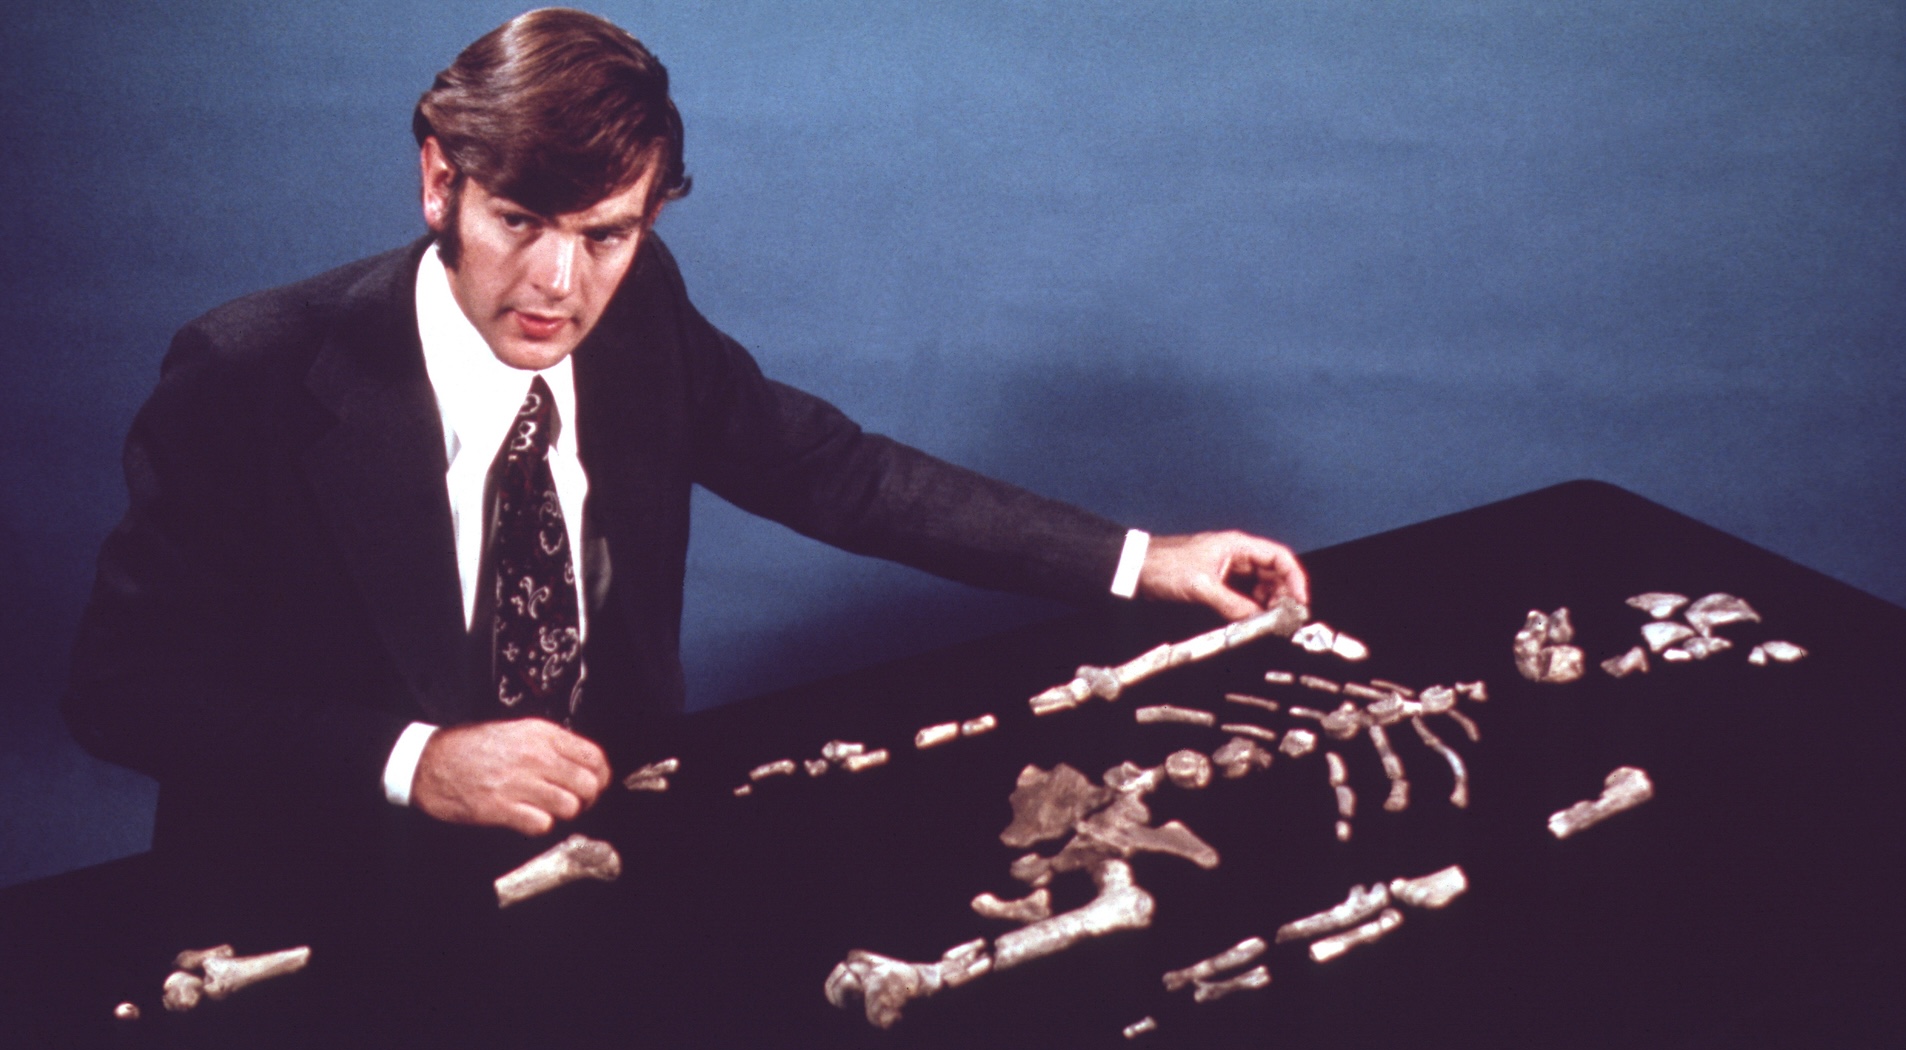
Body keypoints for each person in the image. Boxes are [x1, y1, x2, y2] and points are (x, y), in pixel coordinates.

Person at [63, 9, 1307, 872]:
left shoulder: (640, 309)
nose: (558, 283)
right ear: (439, 180)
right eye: (521, 220)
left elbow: (838, 472)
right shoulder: (249, 371)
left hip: (600, 850)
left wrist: (1144, 558)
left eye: (607, 233)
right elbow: (121, 693)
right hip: (324, 877)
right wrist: (416, 761)